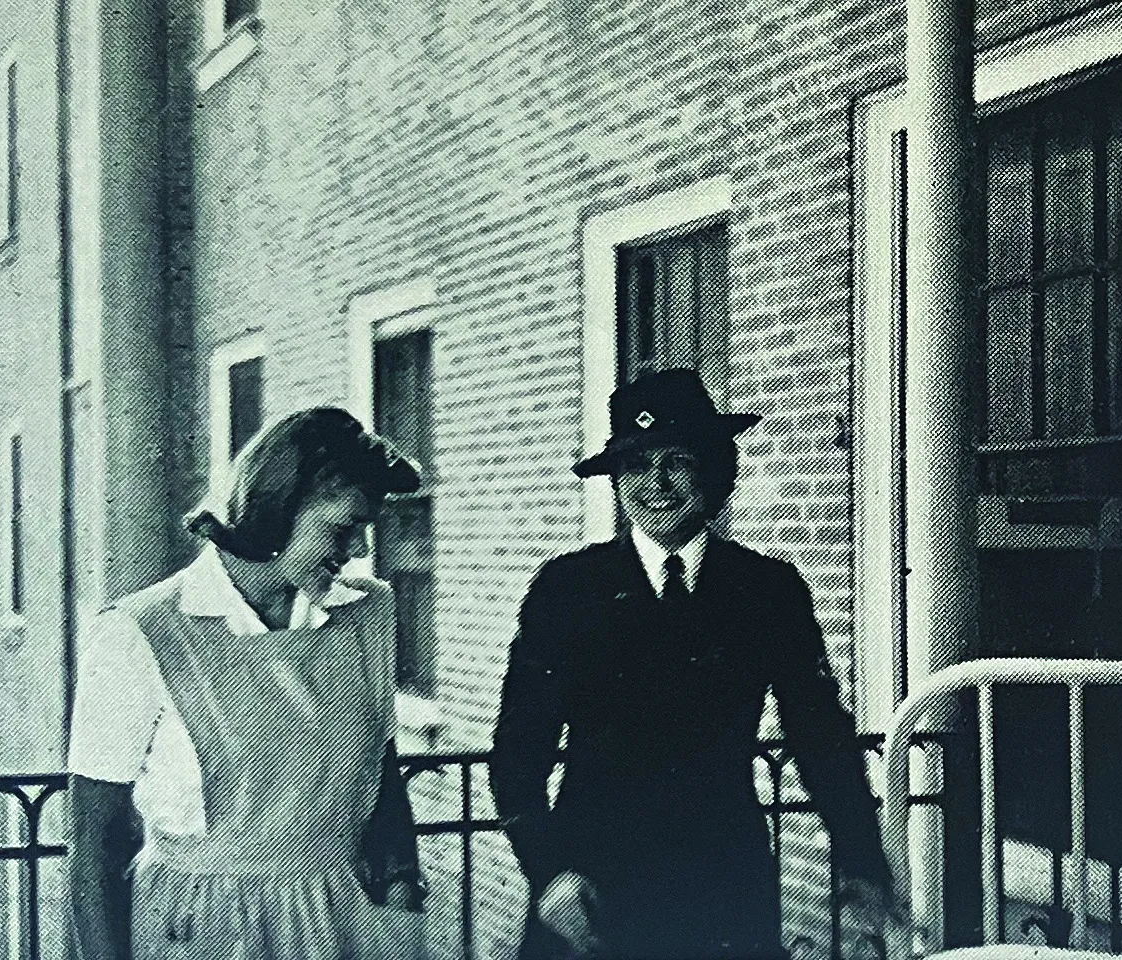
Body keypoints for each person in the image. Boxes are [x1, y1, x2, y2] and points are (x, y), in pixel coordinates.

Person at [490, 368, 898, 960]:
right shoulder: (567, 590)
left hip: (723, 886)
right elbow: (516, 757)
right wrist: (548, 873)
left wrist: (860, 859)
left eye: (675, 460)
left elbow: (821, 736)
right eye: (634, 465)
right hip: (593, 891)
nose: (654, 484)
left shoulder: (767, 588)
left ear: (712, 467)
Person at [68, 407, 429, 960]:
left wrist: (402, 908)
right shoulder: (136, 633)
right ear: (277, 511)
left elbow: (380, 775)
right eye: (343, 528)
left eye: (365, 529)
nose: (359, 549)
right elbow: (96, 844)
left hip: (346, 923)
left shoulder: (368, 612)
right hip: (198, 928)